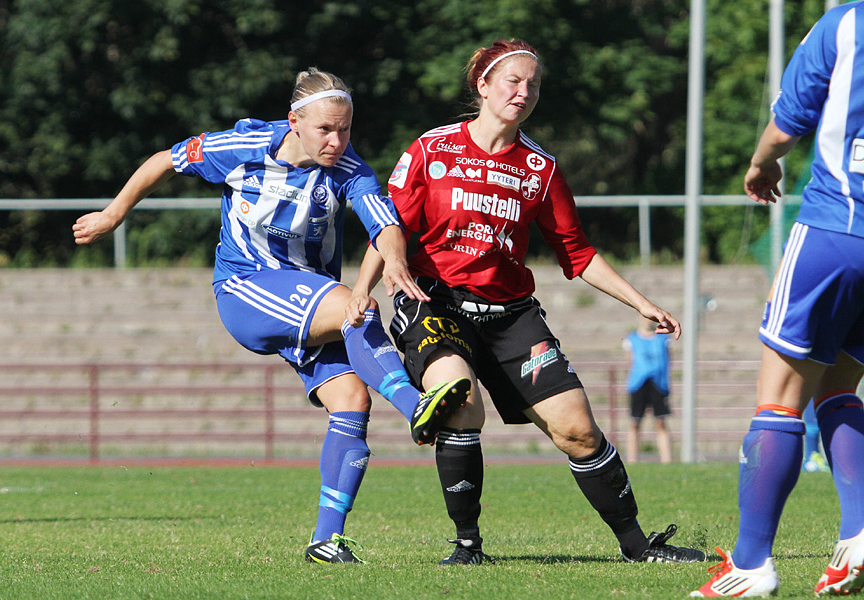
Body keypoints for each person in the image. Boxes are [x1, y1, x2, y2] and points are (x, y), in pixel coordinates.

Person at [72, 68, 470, 565]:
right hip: (245, 288)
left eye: (345, 129)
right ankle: (416, 407)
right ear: (294, 122)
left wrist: (392, 258)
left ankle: (326, 540)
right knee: (356, 307)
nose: (336, 141)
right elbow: (164, 160)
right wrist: (113, 214)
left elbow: (384, 222)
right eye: (325, 129)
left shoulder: (350, 168)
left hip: (306, 298)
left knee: (351, 400)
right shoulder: (246, 146)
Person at [350, 39, 704, 566]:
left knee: (578, 430)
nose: (524, 92)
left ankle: (638, 546)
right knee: (459, 401)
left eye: (533, 84)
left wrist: (640, 302)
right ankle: (467, 547)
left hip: (511, 313)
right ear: (483, 85)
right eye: (513, 81)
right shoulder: (431, 149)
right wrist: (365, 286)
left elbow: (576, 251)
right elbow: (389, 224)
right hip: (435, 301)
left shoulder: (540, 168)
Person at [692, 3, 864, 596]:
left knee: (780, 401)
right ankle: (859, 529)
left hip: (836, 230)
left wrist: (761, 165)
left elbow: (787, 125)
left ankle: (750, 564)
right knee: (838, 387)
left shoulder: (846, 23)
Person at [623, 316, 673, 464]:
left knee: (661, 421)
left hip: (658, 383)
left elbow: (669, 360)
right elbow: (630, 362)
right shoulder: (632, 339)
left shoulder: (663, 339)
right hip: (639, 383)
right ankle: (632, 460)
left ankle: (666, 460)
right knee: (635, 422)